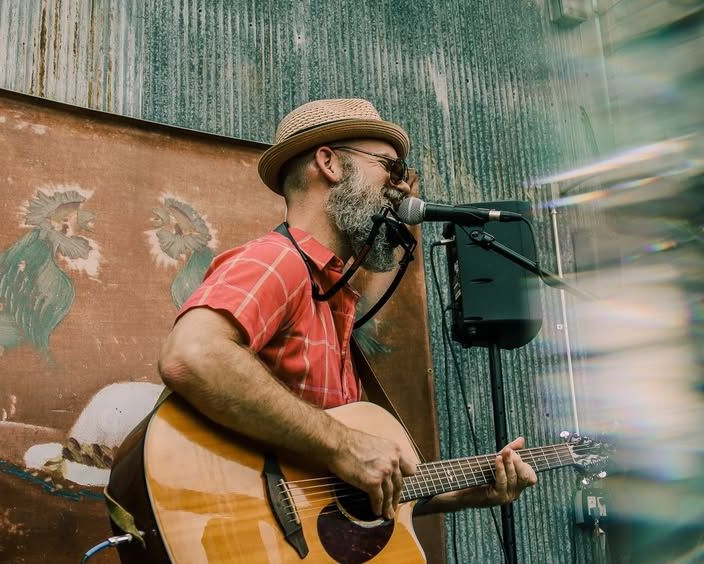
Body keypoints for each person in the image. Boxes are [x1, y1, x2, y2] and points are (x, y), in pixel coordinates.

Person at [157, 98, 536, 522]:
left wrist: (467, 493)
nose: (405, 189)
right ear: (330, 164)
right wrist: (344, 444)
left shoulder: (333, 298)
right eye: (391, 169)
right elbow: (192, 354)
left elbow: (338, 489)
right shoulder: (277, 261)